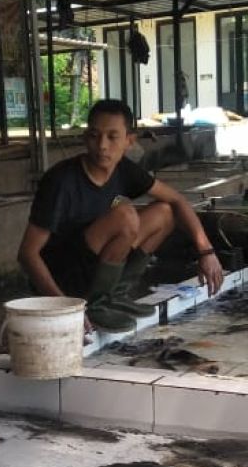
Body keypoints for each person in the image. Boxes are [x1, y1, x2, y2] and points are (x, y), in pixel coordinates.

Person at [19, 99, 225, 332]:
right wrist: (65, 307)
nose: (102, 145)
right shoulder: (61, 181)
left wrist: (206, 251)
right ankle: (94, 304)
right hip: (62, 281)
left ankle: (115, 296)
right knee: (126, 216)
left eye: (112, 137)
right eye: (95, 135)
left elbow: (176, 199)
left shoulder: (123, 169)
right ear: (86, 137)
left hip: (93, 268)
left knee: (164, 212)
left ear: (129, 141)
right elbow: (28, 254)